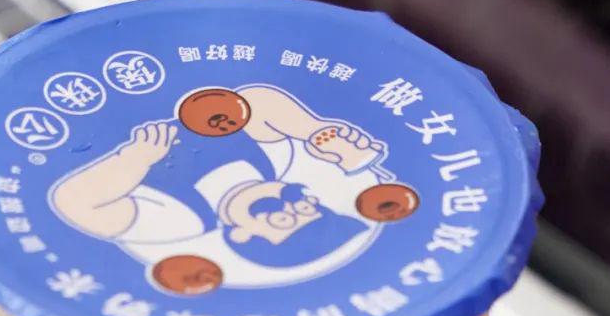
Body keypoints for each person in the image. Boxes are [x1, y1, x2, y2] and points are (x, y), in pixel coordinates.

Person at [49, 84, 416, 293]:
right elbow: (258, 100)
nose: (289, 204)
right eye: (307, 208)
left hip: (76, 138)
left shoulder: (182, 219)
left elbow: (78, 203)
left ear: (240, 234)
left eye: (280, 219)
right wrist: (313, 131)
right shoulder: (273, 160)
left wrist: (133, 160)